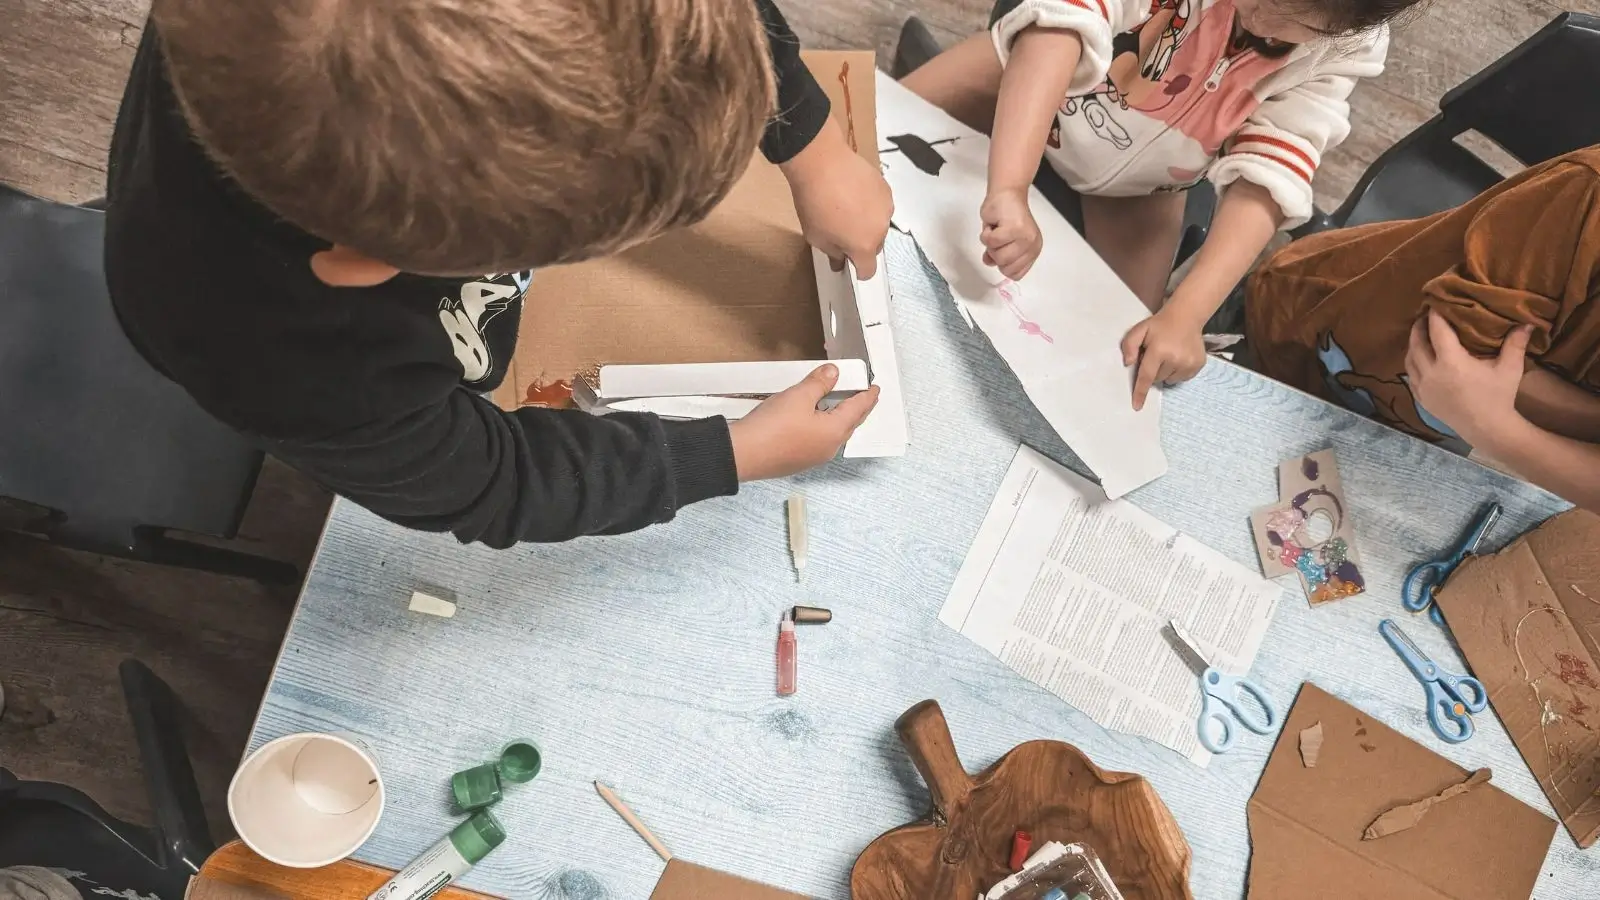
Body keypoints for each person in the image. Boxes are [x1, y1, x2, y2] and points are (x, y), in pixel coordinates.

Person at [106, 0, 893, 549]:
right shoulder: (290, 361)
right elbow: (496, 480)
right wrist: (730, 455)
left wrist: (812, 145)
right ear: (369, 266)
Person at [900, 0, 1416, 409]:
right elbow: (1057, 27)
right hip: (1026, 87)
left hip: (1143, 192)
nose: (1260, 21)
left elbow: (1272, 172)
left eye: (1297, 23)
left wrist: (1188, 315)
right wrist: (1010, 186)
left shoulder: (1348, 44)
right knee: (868, 137)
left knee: (1114, 361)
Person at [1247, 148, 1600, 512]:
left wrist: (1494, 425)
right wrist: (1494, 424)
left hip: (1415, 425)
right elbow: (1458, 358)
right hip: (1301, 334)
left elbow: (1472, 388)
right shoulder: (1588, 195)